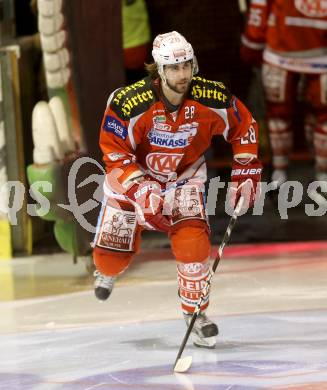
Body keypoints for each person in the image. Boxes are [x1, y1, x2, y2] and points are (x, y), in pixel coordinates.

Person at [92, 31, 262, 348]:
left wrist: (246, 172)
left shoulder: (212, 97)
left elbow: (245, 127)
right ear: (159, 70)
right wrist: (139, 187)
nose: (182, 74)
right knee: (110, 258)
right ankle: (106, 270)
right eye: (174, 68)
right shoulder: (129, 102)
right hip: (133, 179)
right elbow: (112, 149)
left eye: (186, 65)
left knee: (193, 245)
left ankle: (195, 315)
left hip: (183, 178)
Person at [240, 0, 327, 198]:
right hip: (296, 50)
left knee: (282, 114)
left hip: (284, 48)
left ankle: (282, 176)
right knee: (319, 116)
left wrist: (252, 45)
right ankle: (319, 180)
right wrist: (253, 43)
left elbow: (259, 8)